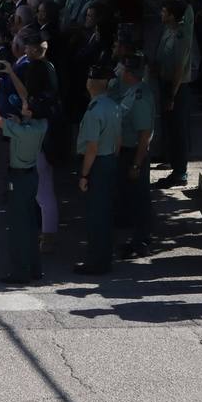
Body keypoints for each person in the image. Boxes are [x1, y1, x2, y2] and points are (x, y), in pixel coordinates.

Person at [0, 72, 47, 284]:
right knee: (31, 224)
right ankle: (34, 268)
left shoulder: (20, 130)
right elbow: (29, 121)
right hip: (32, 177)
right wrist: (22, 120)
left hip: (19, 179)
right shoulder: (41, 126)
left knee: (18, 227)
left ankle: (20, 272)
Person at [75, 64, 122, 275]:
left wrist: (84, 175)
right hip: (111, 160)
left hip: (98, 164)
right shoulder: (113, 106)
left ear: (90, 83)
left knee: (96, 216)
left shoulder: (94, 110)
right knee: (106, 213)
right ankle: (104, 258)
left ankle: (96, 262)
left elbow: (92, 148)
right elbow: (119, 140)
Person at [112, 53, 157, 261]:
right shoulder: (132, 91)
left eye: (124, 70)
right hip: (127, 152)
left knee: (140, 199)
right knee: (131, 198)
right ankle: (135, 239)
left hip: (135, 153)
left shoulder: (140, 96)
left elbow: (144, 135)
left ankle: (142, 241)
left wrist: (137, 164)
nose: (121, 73)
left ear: (130, 74)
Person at [154, 0, 196, 189]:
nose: (161, 14)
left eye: (164, 12)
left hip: (177, 88)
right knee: (169, 127)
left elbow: (179, 67)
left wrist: (172, 94)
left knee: (178, 130)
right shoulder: (167, 32)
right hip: (165, 84)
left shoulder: (181, 35)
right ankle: (173, 163)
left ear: (172, 15)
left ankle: (180, 172)